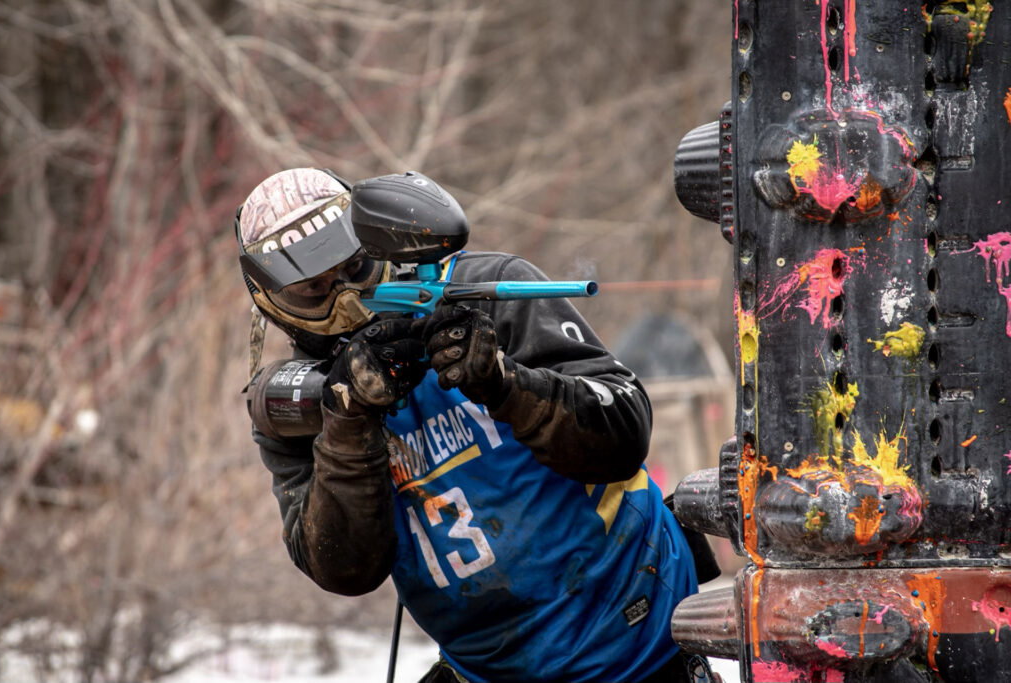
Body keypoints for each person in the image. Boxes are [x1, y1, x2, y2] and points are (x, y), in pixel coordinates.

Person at [236, 167, 711, 682]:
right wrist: (348, 422)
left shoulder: (487, 295)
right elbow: (344, 568)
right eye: (314, 292)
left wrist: (506, 385)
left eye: (354, 269)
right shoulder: (294, 405)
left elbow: (625, 433)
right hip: (489, 668)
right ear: (270, 302)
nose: (345, 300)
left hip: (635, 636)